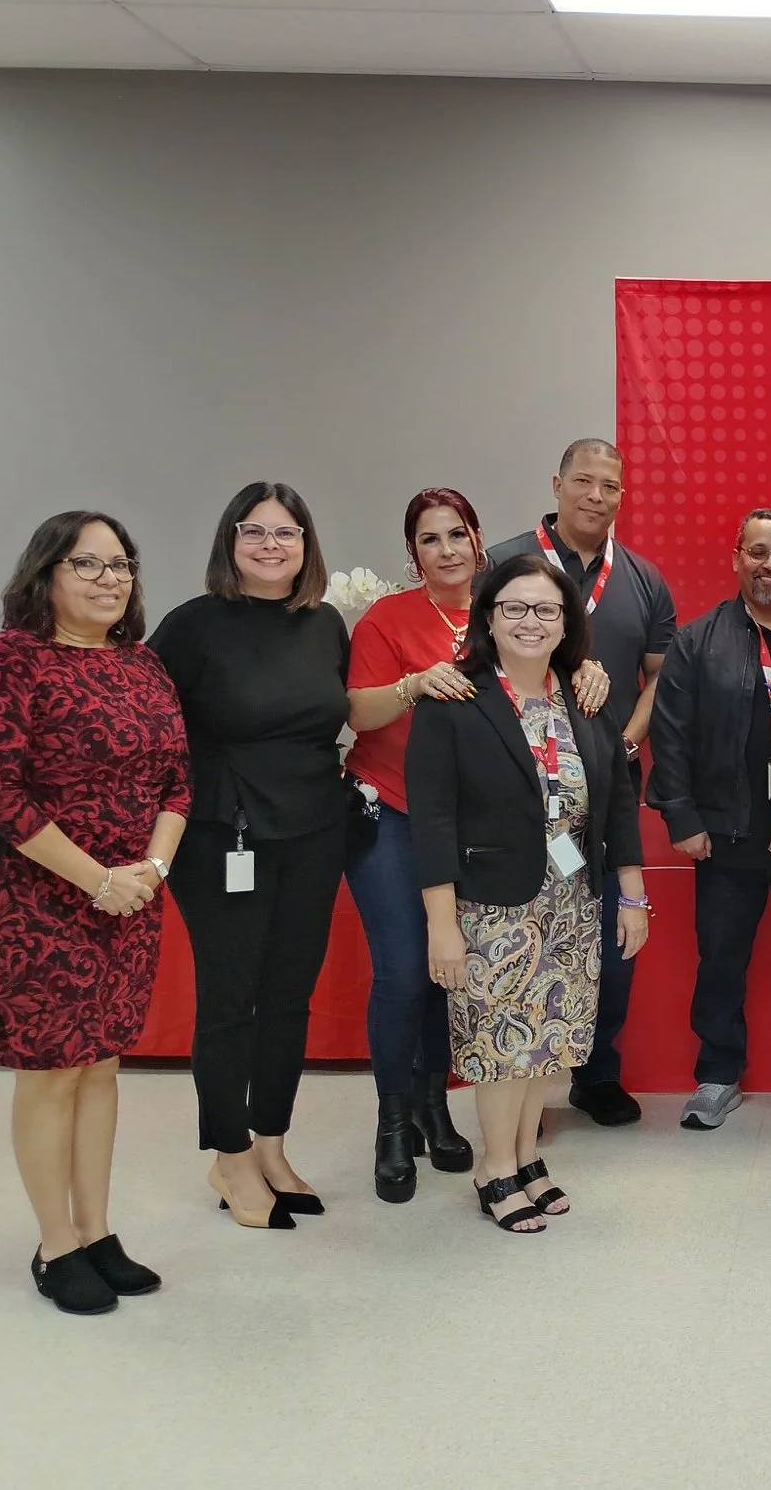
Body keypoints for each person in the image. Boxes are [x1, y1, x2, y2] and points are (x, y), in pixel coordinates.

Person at [0, 512, 189, 1314]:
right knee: (52, 1071)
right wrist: (96, 878)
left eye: (120, 564)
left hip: (131, 897)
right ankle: (55, 1246)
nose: (107, 579)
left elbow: (176, 784)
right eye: (87, 564)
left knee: (101, 1065)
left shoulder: (142, 666)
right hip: (38, 900)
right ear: (46, 573)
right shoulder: (8, 661)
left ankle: (97, 1231)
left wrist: (151, 869)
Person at [406, 556, 649, 1233]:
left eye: (547, 610)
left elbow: (619, 801)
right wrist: (441, 923)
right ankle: (495, 1166)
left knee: (548, 1037)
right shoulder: (453, 699)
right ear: (488, 616)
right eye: (514, 607)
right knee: (500, 1042)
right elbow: (432, 819)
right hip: (491, 904)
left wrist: (633, 895)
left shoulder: (586, 696)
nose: (530, 621)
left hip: (571, 901)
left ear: (567, 622)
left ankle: (524, 1156)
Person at [153, 483, 351, 1229]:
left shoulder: (324, 624)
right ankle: (228, 1155)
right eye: (255, 531)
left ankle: (270, 1143)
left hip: (314, 828)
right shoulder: (193, 626)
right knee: (231, 998)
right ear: (229, 542)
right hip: (221, 834)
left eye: (288, 532)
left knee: (291, 995)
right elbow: (146, 723)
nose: (272, 544)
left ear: (307, 545)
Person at [485, 438, 675, 1127]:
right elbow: (479, 660)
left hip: (604, 788)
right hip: (517, 787)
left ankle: (597, 1074)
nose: (598, 496)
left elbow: (660, 677)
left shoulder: (643, 579)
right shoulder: (505, 561)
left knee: (605, 938)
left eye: (611, 487)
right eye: (585, 482)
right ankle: (519, 1085)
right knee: (520, 934)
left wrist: (626, 740)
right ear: (557, 483)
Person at [342, 489, 491, 1202]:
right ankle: (394, 1121)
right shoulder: (386, 619)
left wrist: (586, 668)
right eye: (429, 540)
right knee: (404, 970)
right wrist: (410, 686)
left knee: (448, 971)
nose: (446, 550)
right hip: (391, 814)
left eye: (456, 534)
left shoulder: (504, 611)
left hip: (472, 825)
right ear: (414, 554)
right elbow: (358, 711)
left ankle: (436, 1106)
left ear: (478, 539)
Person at [646, 509, 771, 1130]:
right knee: (720, 960)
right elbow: (671, 735)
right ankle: (717, 1074)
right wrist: (683, 817)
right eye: (759, 552)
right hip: (726, 832)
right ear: (737, 557)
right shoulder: (697, 640)